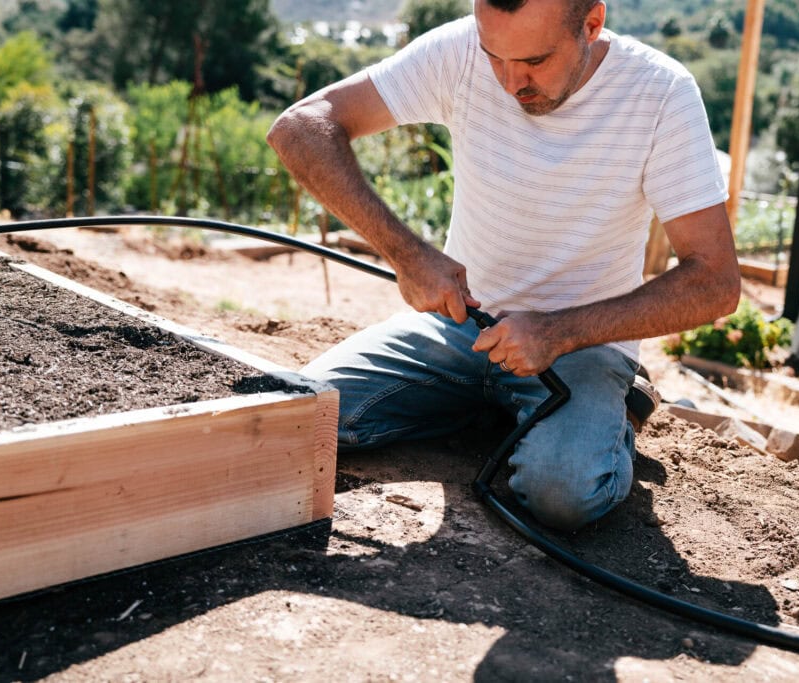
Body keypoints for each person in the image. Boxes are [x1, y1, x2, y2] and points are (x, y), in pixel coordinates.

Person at [267, 0, 740, 531]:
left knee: (562, 496)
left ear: (591, 24)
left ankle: (619, 408)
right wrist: (406, 252)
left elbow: (716, 282)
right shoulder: (460, 50)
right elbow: (302, 126)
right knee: (292, 422)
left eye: (535, 60)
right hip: (457, 328)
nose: (512, 82)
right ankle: (493, 407)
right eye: (495, 56)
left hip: (581, 348)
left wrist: (560, 331)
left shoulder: (661, 93)